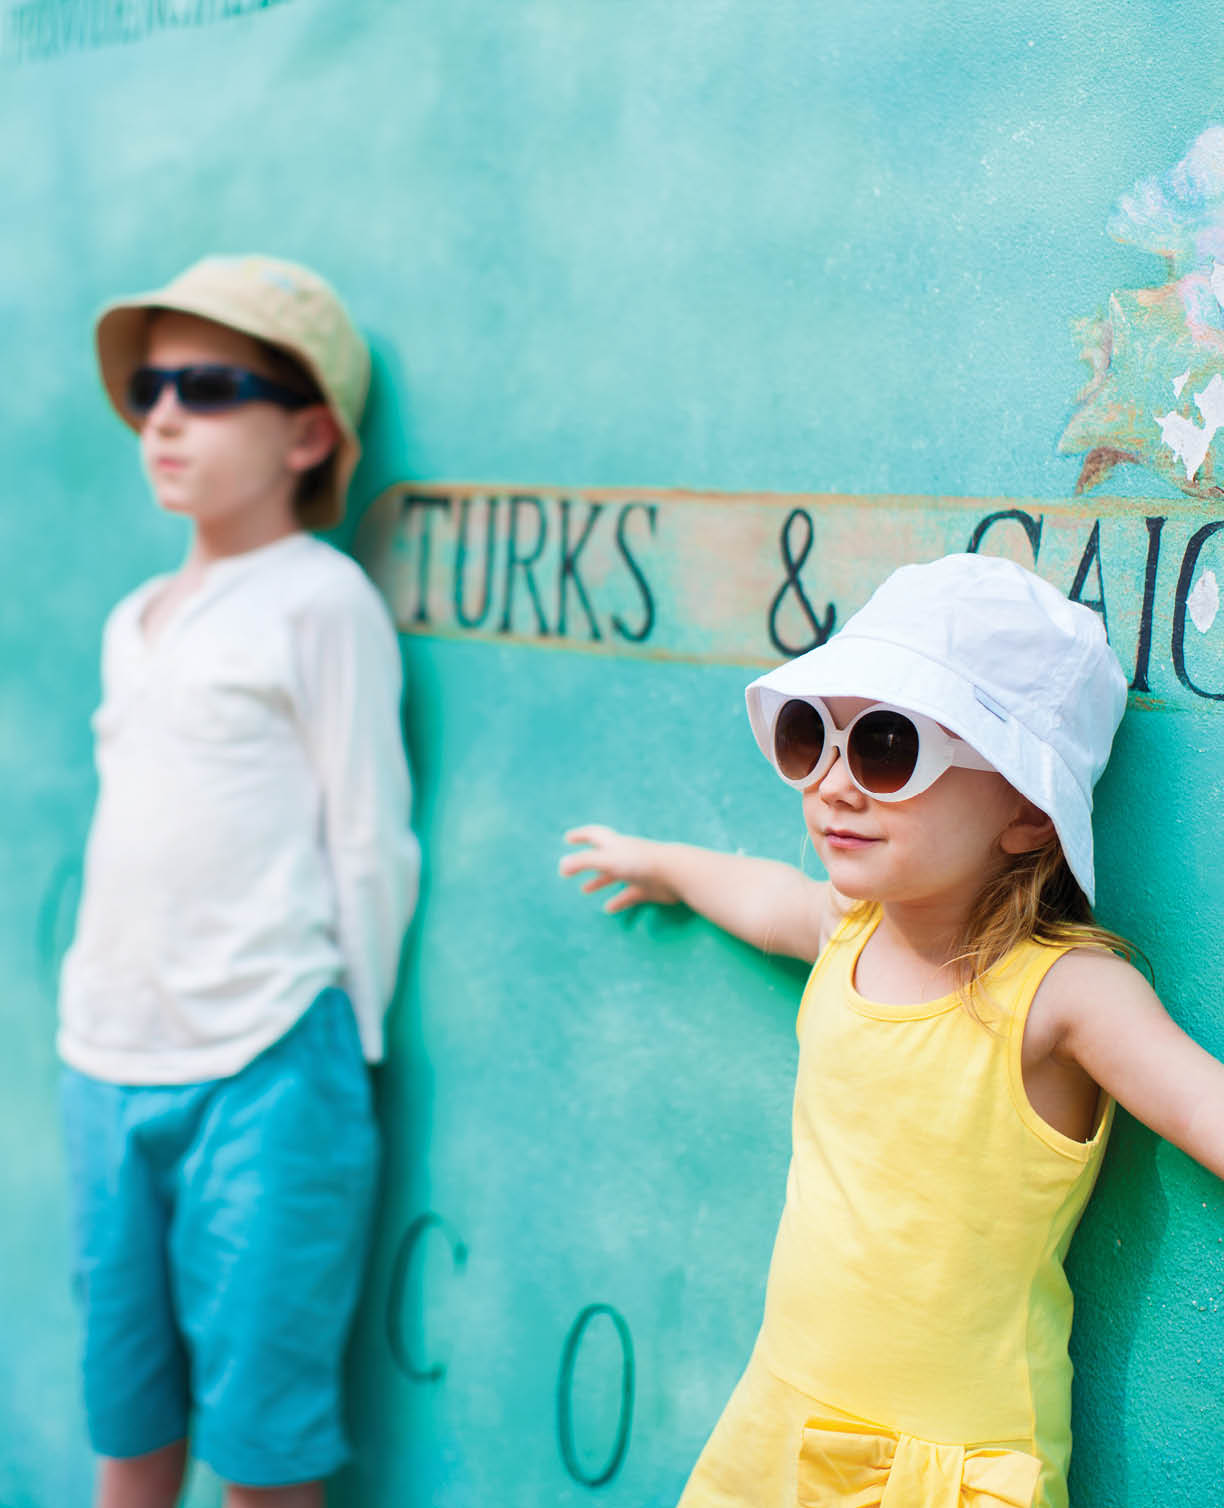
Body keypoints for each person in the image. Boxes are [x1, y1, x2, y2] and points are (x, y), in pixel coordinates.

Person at [560, 552, 1224, 1508]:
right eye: (809, 738)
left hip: (942, 1473)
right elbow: (762, 896)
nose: (833, 784)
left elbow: (1203, 1107)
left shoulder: (1063, 995)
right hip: (780, 1423)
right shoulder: (848, 928)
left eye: (885, 749)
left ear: (1030, 812)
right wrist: (664, 864)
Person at [58, 254, 419, 1508]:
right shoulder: (135, 615)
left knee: (264, 1432)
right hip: (104, 1051)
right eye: (153, 386)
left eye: (209, 386)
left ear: (309, 431)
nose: (164, 415)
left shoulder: (322, 603)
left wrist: (343, 1038)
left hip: (270, 1058)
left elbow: (369, 836)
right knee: (127, 1402)